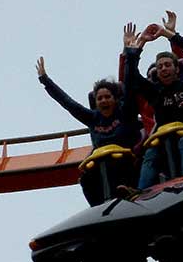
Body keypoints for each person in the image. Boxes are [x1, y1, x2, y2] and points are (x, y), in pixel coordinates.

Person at [36, 23, 142, 204]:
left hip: (126, 162)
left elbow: (130, 84)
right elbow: (68, 104)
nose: (103, 101)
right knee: (85, 178)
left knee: (115, 164)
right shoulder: (93, 118)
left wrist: (130, 53)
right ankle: (98, 208)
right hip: (101, 165)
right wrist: (46, 81)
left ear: (115, 99)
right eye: (99, 98)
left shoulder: (125, 113)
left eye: (107, 97)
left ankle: (130, 191)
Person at [124, 15, 183, 188]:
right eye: (160, 67)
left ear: (176, 68)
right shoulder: (155, 91)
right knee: (151, 152)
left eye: (167, 65)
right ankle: (140, 192)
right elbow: (131, 79)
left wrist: (168, 34)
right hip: (163, 141)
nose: (163, 69)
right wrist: (137, 46)